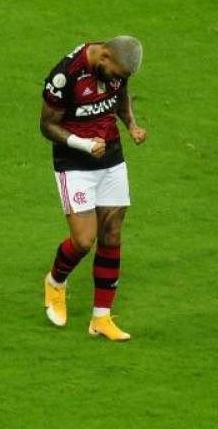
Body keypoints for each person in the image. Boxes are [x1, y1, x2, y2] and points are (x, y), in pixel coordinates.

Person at [40, 37, 147, 341]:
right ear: (105, 56)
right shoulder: (66, 75)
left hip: (111, 158)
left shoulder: (114, 72)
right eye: (116, 73)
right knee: (84, 240)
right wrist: (84, 144)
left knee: (111, 233)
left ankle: (101, 318)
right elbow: (46, 125)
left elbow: (121, 93)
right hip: (74, 163)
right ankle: (55, 282)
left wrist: (131, 125)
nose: (118, 80)